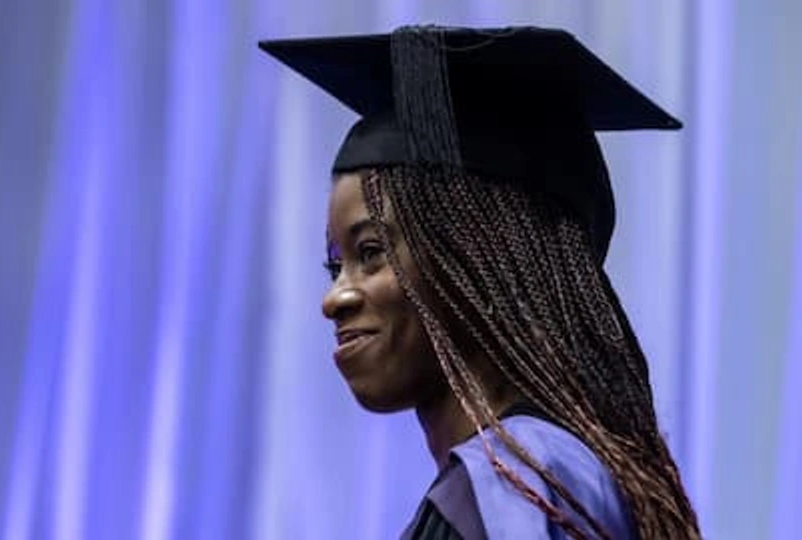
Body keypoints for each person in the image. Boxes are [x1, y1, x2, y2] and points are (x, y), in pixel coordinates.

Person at [260, 26, 701, 539]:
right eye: (335, 266)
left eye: (371, 253)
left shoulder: (503, 493)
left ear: (471, 262)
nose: (336, 298)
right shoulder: (579, 478)